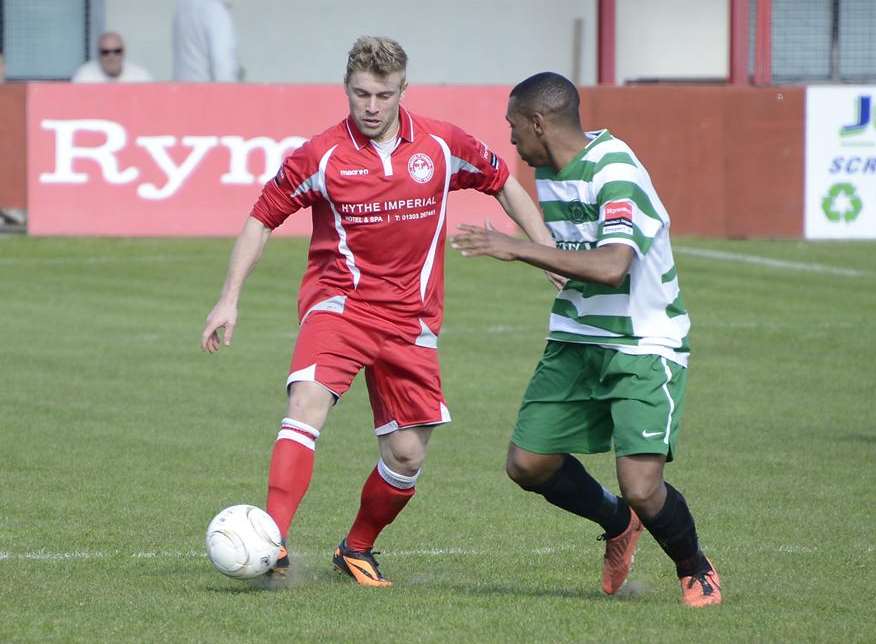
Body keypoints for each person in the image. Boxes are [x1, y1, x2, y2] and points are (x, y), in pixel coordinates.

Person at [200, 36, 555, 587]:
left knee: (408, 456)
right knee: (306, 402)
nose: (370, 106)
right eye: (361, 93)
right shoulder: (319, 155)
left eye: (382, 95)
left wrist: (544, 252)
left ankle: (356, 549)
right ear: (346, 88)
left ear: (401, 91)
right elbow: (261, 217)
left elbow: (504, 183)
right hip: (339, 305)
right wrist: (229, 297)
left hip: (411, 321)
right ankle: (277, 541)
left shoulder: (440, 144)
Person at [451, 72, 722, 607]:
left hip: (643, 343)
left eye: (513, 128)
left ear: (538, 123)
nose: (511, 140)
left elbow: (613, 266)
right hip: (576, 336)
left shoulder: (615, 170)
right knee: (527, 464)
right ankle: (617, 522)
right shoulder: (549, 169)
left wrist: (519, 249)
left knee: (643, 487)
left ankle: (695, 568)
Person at [173, 0, 240, 81]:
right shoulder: (216, 12)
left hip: (180, 88)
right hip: (206, 89)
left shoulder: (182, 8)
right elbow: (222, 65)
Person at [71, 32, 152, 83]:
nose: (111, 56)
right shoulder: (84, 77)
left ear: (124, 52)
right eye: (105, 52)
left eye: (117, 51)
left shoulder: (140, 77)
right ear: (98, 54)